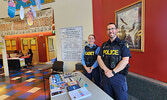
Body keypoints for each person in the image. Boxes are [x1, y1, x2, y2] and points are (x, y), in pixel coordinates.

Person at [97, 23, 131, 100]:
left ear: (116, 30)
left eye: (112, 29)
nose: (110, 31)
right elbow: (99, 58)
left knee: (121, 98)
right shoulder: (104, 45)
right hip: (106, 76)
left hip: (118, 77)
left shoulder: (123, 44)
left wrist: (113, 72)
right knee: (107, 97)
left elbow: (125, 60)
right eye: (108, 29)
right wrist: (106, 70)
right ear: (107, 31)